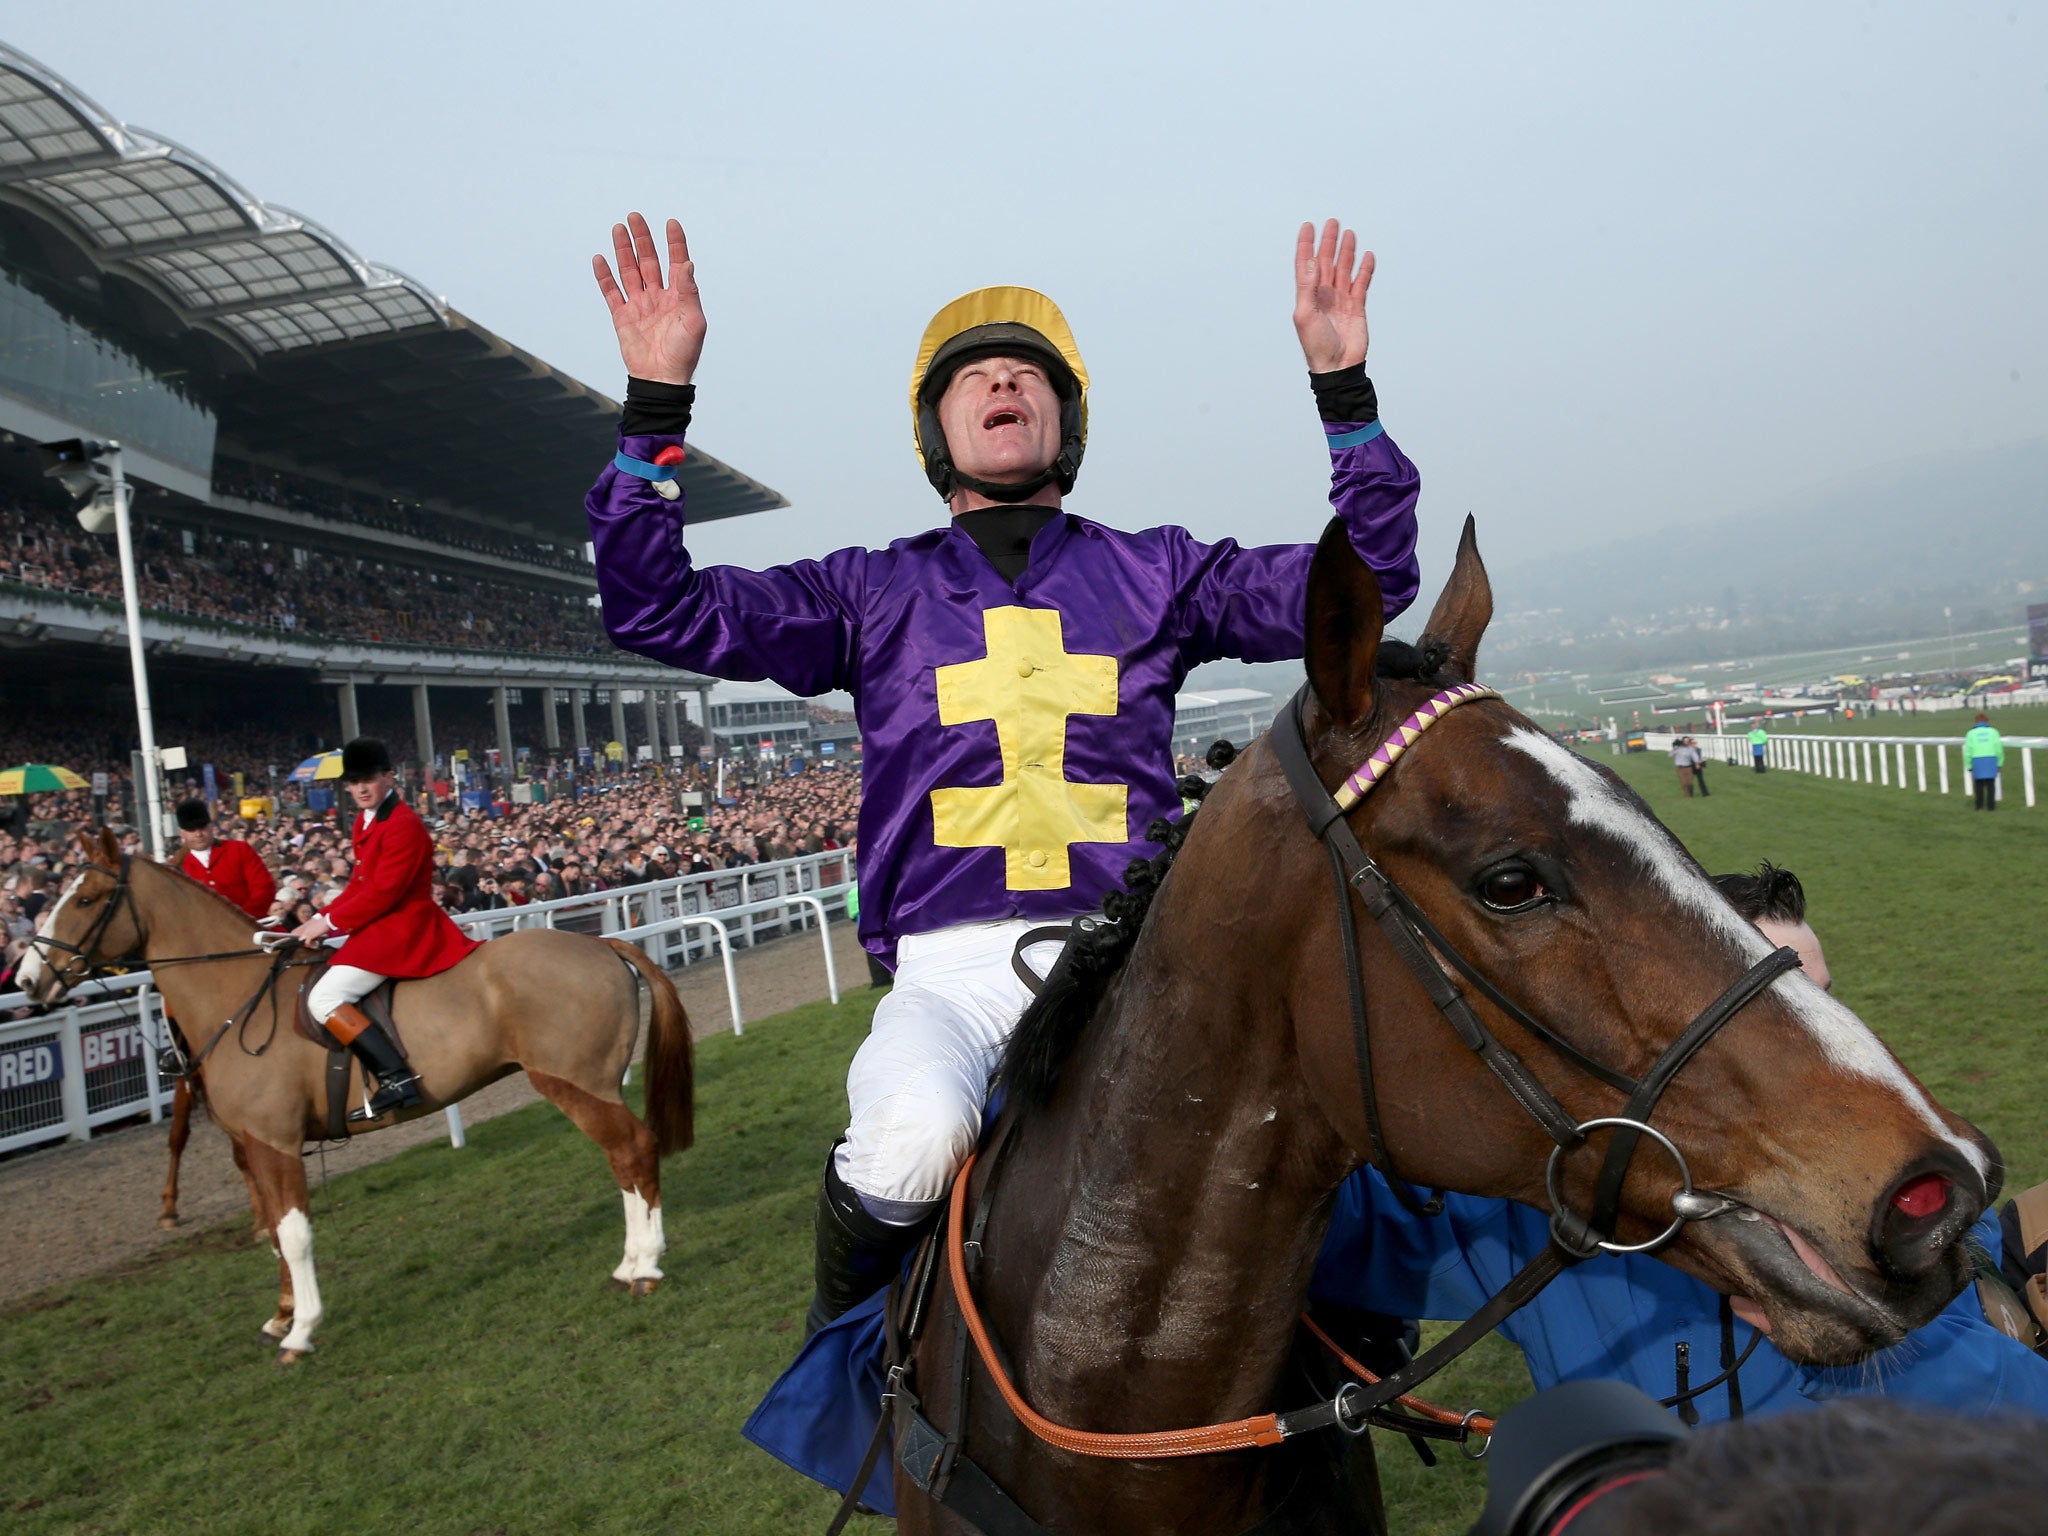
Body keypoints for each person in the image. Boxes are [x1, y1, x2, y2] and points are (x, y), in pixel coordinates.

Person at [586, 213, 1424, 1332]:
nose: (1001, 387)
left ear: (1061, 421)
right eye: (973, 379)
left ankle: (1335, 1391)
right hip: (948, 975)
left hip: (1138, 962)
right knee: (905, 1146)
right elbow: (655, 608)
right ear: (936, 432)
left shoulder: (1157, 572)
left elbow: (1363, 586)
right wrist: (654, 407)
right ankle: (857, 1380)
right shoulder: (864, 592)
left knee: (1287, 1150)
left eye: (1025, 378)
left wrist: (1342, 387)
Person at [1309, 862, 2048, 1422]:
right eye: (1777, 1014)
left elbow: (2024, 1421)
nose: (1822, 1041)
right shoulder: (1548, 1209)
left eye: (1823, 1000)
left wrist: (1869, 1342)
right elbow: (1317, 1229)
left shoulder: (1905, 1199)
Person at [290, 738, 481, 1123]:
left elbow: (382, 893)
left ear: (388, 776)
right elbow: (361, 885)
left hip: (402, 927)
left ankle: (396, 1079)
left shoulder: (402, 824)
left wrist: (325, 922)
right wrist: (321, 919)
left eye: (369, 779)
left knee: (324, 998)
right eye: (353, 782)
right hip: (383, 922)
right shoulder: (366, 819)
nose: (360, 788)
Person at [173, 800, 276, 920]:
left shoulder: (239, 850)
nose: (198, 834)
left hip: (253, 924)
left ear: (211, 826)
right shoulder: (177, 867)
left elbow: (264, 888)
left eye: (202, 828)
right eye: (191, 830)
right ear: (181, 832)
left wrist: (244, 918)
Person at [1966, 711, 2004, 811]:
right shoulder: (1994, 732)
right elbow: (1998, 749)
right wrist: (2000, 763)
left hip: (1977, 759)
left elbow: (1968, 751)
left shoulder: (1970, 733)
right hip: (1991, 759)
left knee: (1978, 784)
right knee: (1991, 784)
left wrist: (1969, 765)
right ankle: (1991, 807)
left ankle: (1979, 806)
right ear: (1987, 721)